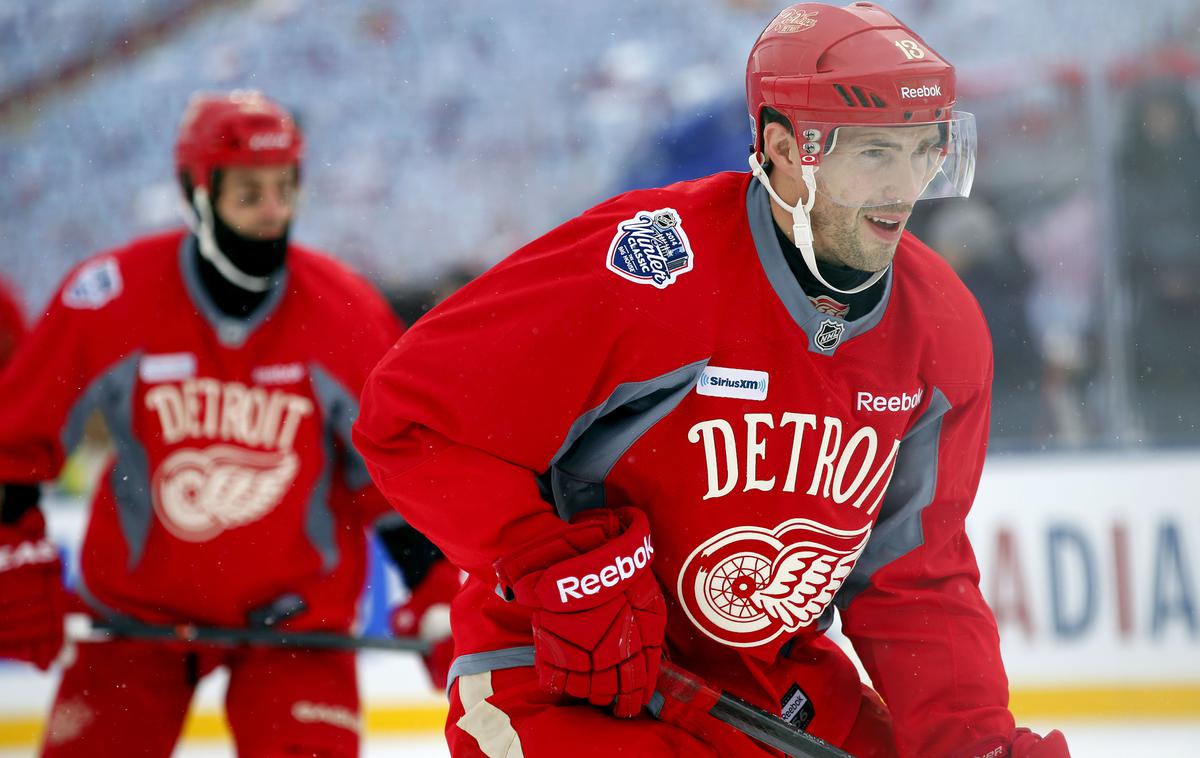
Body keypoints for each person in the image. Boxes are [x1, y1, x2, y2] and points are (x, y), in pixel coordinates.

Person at [354, 4, 1070, 757]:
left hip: (767, 688)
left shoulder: (941, 330)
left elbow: (914, 580)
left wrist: (973, 744)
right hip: (568, 672)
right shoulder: (654, 268)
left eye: (924, 151)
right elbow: (410, 417)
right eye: (873, 154)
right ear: (784, 148)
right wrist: (558, 564)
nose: (905, 188)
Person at [0, 89, 455, 757]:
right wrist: (15, 552)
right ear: (196, 193)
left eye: (284, 189)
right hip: (134, 627)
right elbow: (16, 446)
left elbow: (393, 480)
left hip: (297, 631)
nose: (273, 213)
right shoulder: (110, 297)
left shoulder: (345, 312)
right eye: (249, 194)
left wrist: (441, 589)